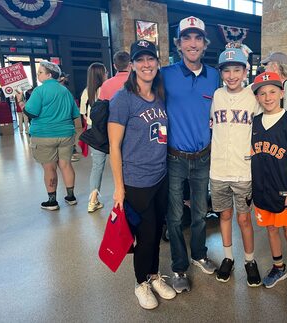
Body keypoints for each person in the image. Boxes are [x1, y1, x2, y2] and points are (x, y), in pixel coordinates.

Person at [108, 39, 176, 310]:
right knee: (145, 236)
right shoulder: (123, 99)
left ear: (157, 64)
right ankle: (141, 283)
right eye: (141, 60)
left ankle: (154, 275)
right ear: (132, 65)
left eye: (151, 59)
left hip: (161, 176)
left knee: (157, 231)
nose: (147, 64)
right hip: (136, 181)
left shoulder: (158, 96)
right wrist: (119, 187)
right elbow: (114, 146)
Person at [161, 16, 220, 293]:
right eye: (187, 38)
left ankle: (198, 255)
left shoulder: (215, 76)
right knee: (174, 217)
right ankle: (179, 267)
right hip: (174, 157)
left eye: (198, 38)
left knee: (199, 213)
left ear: (204, 44)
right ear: (179, 44)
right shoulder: (165, 74)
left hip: (203, 157)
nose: (192, 43)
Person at [250, 71, 287, 311]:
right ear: (256, 96)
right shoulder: (254, 122)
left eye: (272, 91)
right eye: (262, 93)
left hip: (286, 192)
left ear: (282, 93)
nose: (267, 97)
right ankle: (279, 268)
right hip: (263, 190)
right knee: (271, 229)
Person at [210, 46, 261, 286]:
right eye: (227, 70)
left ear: (244, 71)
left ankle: (249, 260)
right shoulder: (217, 95)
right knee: (225, 214)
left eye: (237, 70)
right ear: (221, 73)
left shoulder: (253, 96)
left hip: (244, 170)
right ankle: (228, 257)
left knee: (243, 219)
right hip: (218, 169)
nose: (231, 75)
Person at [15, 60, 80, 210]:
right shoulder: (65, 91)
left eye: (40, 72)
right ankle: (71, 197)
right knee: (66, 165)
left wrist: (21, 101)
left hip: (44, 135)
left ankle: (52, 201)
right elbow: (75, 114)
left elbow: (31, 112)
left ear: (49, 75)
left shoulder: (39, 91)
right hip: (66, 134)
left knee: (49, 168)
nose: (38, 75)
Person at [80, 63, 108, 213]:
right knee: (123, 163)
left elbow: (84, 115)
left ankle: (92, 201)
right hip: (112, 129)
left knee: (97, 166)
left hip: (95, 131)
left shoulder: (87, 92)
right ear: (102, 74)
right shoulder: (108, 88)